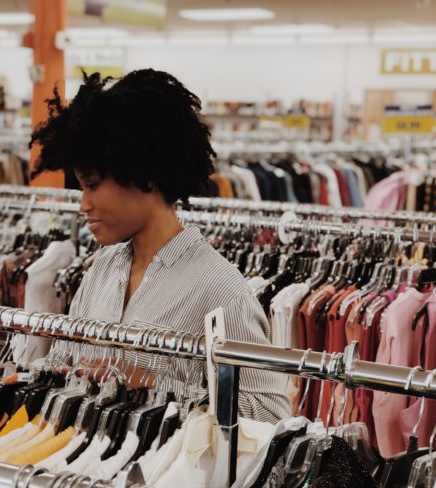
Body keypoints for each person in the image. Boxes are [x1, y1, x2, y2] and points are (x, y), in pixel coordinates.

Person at [30, 69, 290, 422]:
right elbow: (66, 357)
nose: (83, 204)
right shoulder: (102, 268)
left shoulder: (221, 289)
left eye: (91, 185)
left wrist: (156, 385)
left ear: (142, 174)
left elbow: (270, 417)